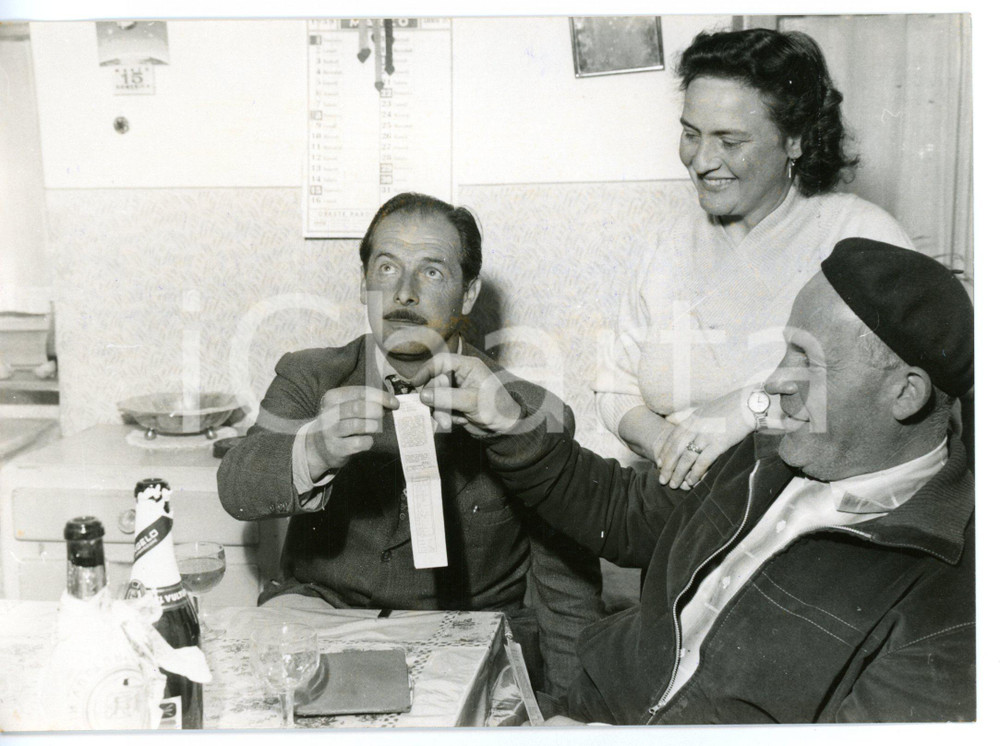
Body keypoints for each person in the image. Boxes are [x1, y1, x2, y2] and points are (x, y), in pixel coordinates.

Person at [413, 238, 974, 724]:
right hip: (583, 709)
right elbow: (622, 516)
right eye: (785, 349)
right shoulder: (767, 454)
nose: (775, 383)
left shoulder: (953, 603)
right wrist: (510, 425)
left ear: (905, 393)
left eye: (807, 360)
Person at [217, 192, 603, 696]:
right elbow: (237, 484)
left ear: (467, 294)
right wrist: (314, 450)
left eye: (432, 272)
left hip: (467, 639)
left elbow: (567, 596)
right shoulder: (310, 377)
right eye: (386, 268)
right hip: (326, 620)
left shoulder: (528, 411)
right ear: (363, 285)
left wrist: (573, 713)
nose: (403, 293)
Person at [594, 28, 913, 492]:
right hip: (681, 510)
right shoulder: (661, 244)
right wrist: (669, 443)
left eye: (729, 141)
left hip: (818, 520)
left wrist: (751, 407)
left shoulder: (862, 237)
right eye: (690, 134)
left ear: (795, 141)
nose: (701, 161)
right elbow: (614, 389)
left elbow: (891, 399)